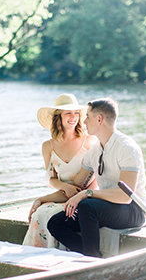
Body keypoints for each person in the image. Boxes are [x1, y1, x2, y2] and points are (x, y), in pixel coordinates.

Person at [47, 97, 146, 258]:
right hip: (107, 207)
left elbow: (125, 196)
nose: (84, 121)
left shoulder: (127, 148)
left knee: (88, 206)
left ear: (99, 119)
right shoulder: (95, 150)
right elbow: (77, 185)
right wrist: (46, 197)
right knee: (56, 222)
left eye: (87, 116)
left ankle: (91, 258)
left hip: (133, 211)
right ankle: (90, 254)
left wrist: (87, 194)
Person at [22, 93, 97, 248]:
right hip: (62, 193)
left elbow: (95, 179)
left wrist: (78, 195)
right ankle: (41, 256)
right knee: (40, 214)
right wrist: (65, 187)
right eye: (68, 113)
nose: (73, 117)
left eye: (76, 113)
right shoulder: (48, 146)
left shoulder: (89, 141)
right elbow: (51, 178)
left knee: (54, 215)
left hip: (86, 195)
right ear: (59, 117)